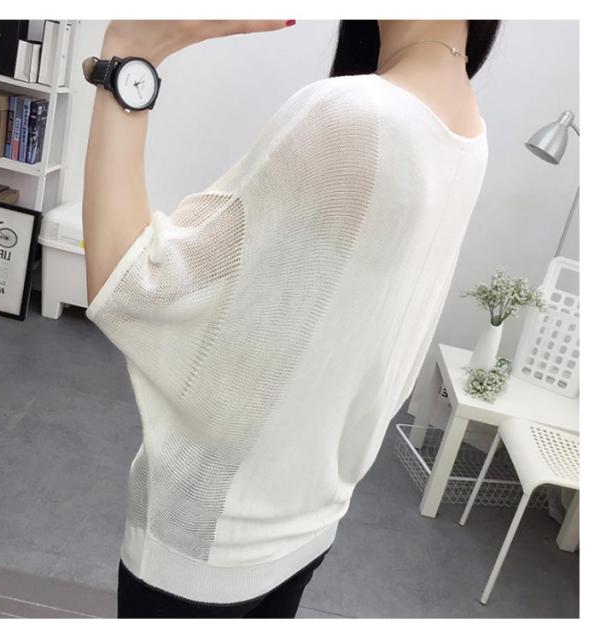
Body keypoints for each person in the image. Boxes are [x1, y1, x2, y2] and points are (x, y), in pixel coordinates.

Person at [82, 19, 500, 618]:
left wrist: (128, 54)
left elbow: (127, 282)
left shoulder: (355, 114)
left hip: (207, 544)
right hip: (309, 524)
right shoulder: (468, 127)